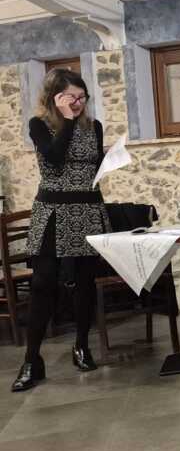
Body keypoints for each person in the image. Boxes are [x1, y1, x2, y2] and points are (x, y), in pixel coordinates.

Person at [12, 69, 111, 392]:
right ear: (55, 97)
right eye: (71, 97)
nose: (78, 103)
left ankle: (81, 345)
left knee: (84, 283)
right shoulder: (39, 125)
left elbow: (94, 168)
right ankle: (31, 360)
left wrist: (110, 161)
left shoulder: (94, 127)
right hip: (53, 211)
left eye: (82, 97)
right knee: (43, 284)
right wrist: (67, 120)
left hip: (87, 209)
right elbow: (54, 159)